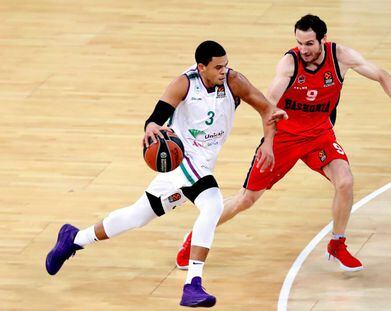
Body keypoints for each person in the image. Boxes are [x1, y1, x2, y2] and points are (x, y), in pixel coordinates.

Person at [45, 40, 287, 308]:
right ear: (201, 67)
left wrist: (268, 143)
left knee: (137, 216)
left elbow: (267, 109)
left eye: (226, 65)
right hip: (181, 157)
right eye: (218, 67)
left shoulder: (234, 82)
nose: (224, 71)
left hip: (202, 164)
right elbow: (157, 116)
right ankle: (193, 284)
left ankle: (75, 238)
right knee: (212, 203)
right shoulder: (183, 84)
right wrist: (150, 127)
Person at [176, 15, 391, 272]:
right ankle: (194, 238)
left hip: (319, 134)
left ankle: (337, 244)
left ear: (324, 39)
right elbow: (268, 105)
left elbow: (382, 75)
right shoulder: (290, 64)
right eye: (300, 43)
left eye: (310, 43)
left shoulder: (341, 57)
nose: (304, 49)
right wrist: (267, 143)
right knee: (246, 199)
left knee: (345, 181)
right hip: (284, 137)